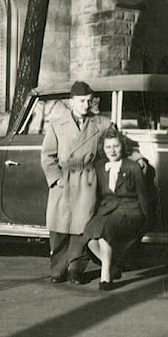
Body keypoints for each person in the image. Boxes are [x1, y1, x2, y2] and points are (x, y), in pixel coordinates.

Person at [40, 81, 117, 284]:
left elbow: (119, 144)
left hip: (87, 180)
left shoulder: (101, 124)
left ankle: (75, 269)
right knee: (59, 227)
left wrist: (138, 158)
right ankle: (58, 269)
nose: (86, 105)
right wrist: (55, 179)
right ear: (71, 102)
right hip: (63, 180)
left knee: (81, 227)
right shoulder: (57, 124)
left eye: (89, 101)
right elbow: (47, 156)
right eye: (82, 101)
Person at [84, 127, 151, 291]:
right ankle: (113, 265)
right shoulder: (100, 166)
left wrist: (146, 219)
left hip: (130, 210)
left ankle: (105, 276)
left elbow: (143, 195)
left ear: (123, 147)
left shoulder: (133, 167)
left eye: (116, 146)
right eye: (108, 147)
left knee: (105, 231)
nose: (112, 151)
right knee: (90, 233)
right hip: (108, 210)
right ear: (103, 148)